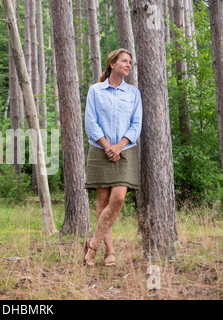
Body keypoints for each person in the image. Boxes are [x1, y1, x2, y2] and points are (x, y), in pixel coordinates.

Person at [83, 48, 142, 267]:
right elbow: (91, 123)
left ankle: (91, 245)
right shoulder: (96, 91)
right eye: (124, 61)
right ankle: (108, 251)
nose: (128, 65)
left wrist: (119, 147)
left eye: (130, 62)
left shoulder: (133, 93)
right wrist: (108, 147)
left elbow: (136, 125)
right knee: (102, 202)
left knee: (118, 199)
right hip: (100, 149)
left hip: (125, 151)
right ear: (112, 64)